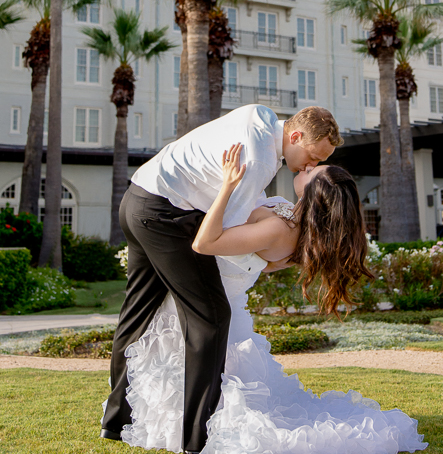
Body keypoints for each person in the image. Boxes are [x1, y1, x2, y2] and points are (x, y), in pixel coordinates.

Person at [118, 144, 428, 453]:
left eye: (311, 172)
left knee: (212, 377)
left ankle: (195, 430)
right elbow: (259, 262)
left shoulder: (282, 229)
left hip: (208, 294)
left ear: (312, 194)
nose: (306, 167)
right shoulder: (291, 219)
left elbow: (205, 242)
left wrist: (227, 186)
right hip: (205, 289)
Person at [101, 103, 341, 454]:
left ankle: (116, 422)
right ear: (294, 136)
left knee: (137, 315)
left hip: (137, 198)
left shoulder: (258, 116)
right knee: (212, 317)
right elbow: (225, 232)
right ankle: (195, 437)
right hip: (167, 216)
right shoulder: (259, 160)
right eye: (312, 157)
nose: (311, 166)